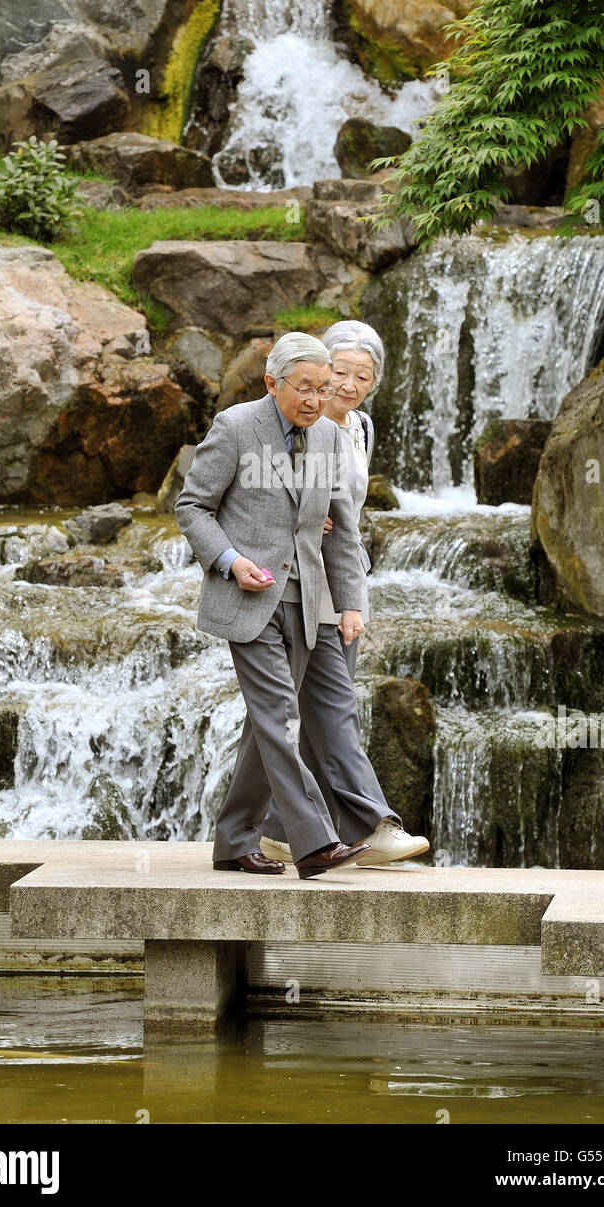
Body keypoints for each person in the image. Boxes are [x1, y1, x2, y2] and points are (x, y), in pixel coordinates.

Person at [175, 332, 374, 880]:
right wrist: (230, 560)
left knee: (262, 729)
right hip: (247, 600)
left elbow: (340, 532)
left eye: (323, 388)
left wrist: (350, 603)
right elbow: (192, 507)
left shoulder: (333, 438)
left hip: (308, 605)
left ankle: (234, 842)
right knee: (282, 719)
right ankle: (315, 843)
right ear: (272, 383)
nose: (315, 399)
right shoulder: (237, 427)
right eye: (304, 388)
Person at [260, 321, 430, 866]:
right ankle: (369, 821)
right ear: (317, 370)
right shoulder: (293, 425)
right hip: (301, 577)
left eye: (364, 374)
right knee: (329, 703)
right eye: (340, 371)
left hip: (347, 573)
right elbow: (264, 496)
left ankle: (282, 829)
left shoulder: (359, 428)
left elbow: (349, 510)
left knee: (319, 704)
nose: (349, 384)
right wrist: (304, 521)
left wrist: (352, 584)